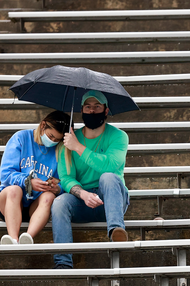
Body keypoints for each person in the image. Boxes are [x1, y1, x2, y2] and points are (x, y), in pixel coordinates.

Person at [51, 90, 130, 269]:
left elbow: (110, 166)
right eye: (88, 107)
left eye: (97, 107)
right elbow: (65, 177)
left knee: (108, 177)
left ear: (106, 110)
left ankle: (116, 231)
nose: (92, 111)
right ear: (81, 110)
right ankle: (63, 264)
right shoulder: (68, 140)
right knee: (59, 203)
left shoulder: (119, 136)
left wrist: (78, 148)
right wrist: (84, 194)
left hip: (112, 200)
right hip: (83, 201)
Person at [0, 110, 71, 245]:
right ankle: (13, 239)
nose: (53, 141)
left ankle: (27, 238)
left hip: (37, 208)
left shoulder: (61, 150)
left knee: (49, 197)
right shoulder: (21, 138)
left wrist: (57, 189)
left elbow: (66, 181)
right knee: (14, 190)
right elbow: (6, 174)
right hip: (9, 202)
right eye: (50, 136)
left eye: (57, 140)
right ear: (43, 125)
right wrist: (27, 182)